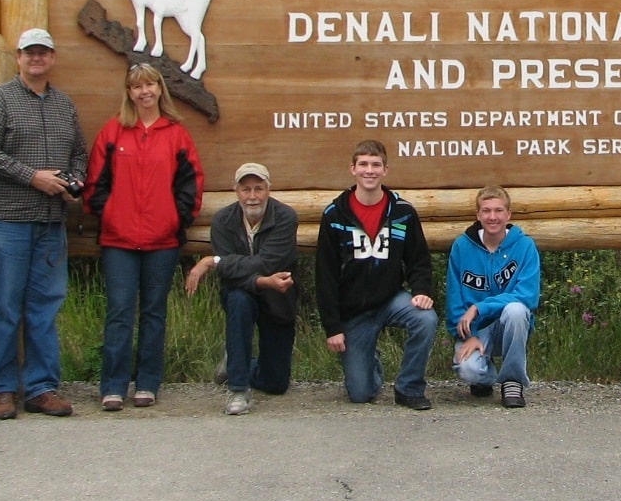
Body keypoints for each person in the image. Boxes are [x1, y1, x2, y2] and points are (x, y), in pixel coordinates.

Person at [0, 27, 88, 420]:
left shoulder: (64, 105)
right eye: (29, 53)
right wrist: (32, 176)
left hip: (50, 220)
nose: (36, 58)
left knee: (44, 307)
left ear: (52, 58)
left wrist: (75, 182)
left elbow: (80, 154)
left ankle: (42, 387)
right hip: (7, 220)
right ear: (19, 58)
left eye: (43, 52)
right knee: (6, 307)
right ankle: (3, 390)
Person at [83, 63, 203, 411]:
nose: (144, 91)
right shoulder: (113, 131)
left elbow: (191, 183)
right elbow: (95, 183)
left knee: (154, 312)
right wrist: (109, 214)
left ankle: (148, 383)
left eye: (150, 85)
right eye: (137, 87)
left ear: (160, 89)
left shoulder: (176, 132)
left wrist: (175, 220)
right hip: (118, 241)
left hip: (162, 241)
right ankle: (113, 386)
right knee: (119, 312)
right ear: (129, 93)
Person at [314, 140, 437, 409]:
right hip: (353, 311)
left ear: (385, 170)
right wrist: (332, 327)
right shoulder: (335, 215)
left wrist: (421, 291)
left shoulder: (402, 212)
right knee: (360, 393)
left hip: (390, 300)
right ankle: (370, 359)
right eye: (364, 165)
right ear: (353, 169)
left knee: (425, 319)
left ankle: (409, 388)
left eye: (376, 165)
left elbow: (419, 259)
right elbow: (325, 275)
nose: (369, 171)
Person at [185, 161, 300, 417]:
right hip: (241, 293)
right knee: (238, 299)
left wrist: (213, 261)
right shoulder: (223, 220)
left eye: (258, 188)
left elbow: (269, 262)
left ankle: (237, 362)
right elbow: (231, 276)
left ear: (268, 189)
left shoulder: (285, 217)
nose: (252, 196)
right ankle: (238, 389)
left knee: (276, 384)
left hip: (278, 297)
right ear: (235, 190)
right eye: (245, 189)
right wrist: (261, 280)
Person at [446, 186, 541, 408]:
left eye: (498, 211)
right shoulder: (462, 246)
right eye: (486, 211)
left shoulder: (525, 246)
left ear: (508, 215)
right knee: (468, 370)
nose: (492, 217)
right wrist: (469, 335)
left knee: (516, 310)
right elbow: (454, 299)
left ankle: (512, 381)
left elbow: (527, 297)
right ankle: (485, 378)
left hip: (510, 326)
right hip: (476, 330)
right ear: (478, 215)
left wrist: (480, 307)